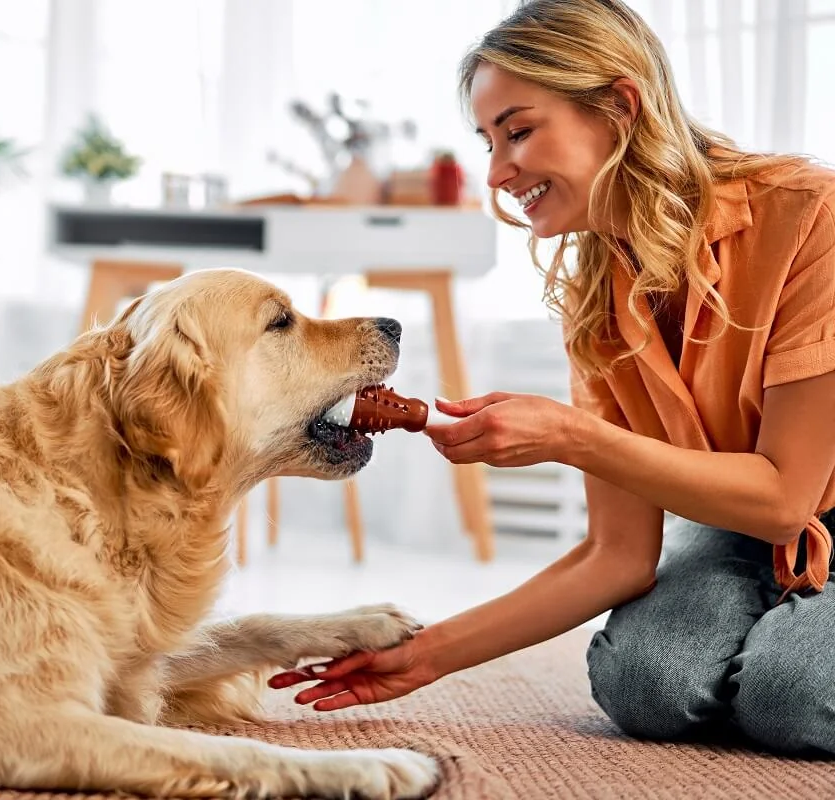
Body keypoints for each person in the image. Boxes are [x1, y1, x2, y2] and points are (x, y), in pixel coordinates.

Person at [269, 0, 835, 755]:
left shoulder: (810, 218)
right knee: (646, 684)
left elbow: (784, 496)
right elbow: (618, 555)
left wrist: (572, 436)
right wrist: (427, 655)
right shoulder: (592, 295)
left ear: (620, 107)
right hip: (742, 530)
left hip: (785, 507)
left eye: (519, 131)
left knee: (789, 692)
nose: (498, 172)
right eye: (489, 141)